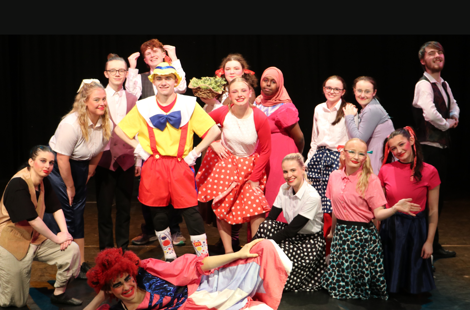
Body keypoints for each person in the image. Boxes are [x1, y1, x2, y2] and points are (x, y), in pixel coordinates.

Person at [115, 62, 221, 262]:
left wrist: (196, 152)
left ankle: (203, 258)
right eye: (159, 79)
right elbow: (119, 130)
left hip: (181, 165)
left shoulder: (188, 104)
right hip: (154, 166)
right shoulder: (144, 106)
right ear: (154, 81)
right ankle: (169, 254)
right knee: (158, 212)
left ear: (176, 81)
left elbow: (214, 130)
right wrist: (139, 149)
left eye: (168, 78)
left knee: (191, 212)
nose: (163, 82)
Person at [321, 138, 421, 300]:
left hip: (361, 237)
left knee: (357, 291)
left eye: (361, 153)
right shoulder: (334, 176)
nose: (356, 156)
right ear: (343, 154)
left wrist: (395, 208)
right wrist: (332, 231)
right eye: (352, 151)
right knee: (342, 287)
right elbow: (334, 208)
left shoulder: (370, 179)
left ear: (365, 157)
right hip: (341, 235)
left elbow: (378, 214)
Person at [83, 239, 291, 310]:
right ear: (109, 289)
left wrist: (237, 254)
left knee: (264, 248)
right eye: (118, 285)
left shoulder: (147, 272)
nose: (126, 287)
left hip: (205, 290)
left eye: (127, 279)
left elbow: (198, 265)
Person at [44, 79, 113, 279]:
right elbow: (62, 158)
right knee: (66, 214)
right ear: (85, 102)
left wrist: (90, 171)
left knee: (79, 214)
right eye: (97, 99)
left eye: (104, 99)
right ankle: (68, 266)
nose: (102, 103)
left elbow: (100, 150)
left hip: (81, 167)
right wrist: (70, 186)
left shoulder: (105, 121)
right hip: (60, 169)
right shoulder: (70, 124)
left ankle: (80, 263)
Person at [196, 77, 272, 254]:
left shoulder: (259, 117)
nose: (239, 95)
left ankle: (255, 252)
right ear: (229, 95)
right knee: (223, 205)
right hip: (227, 164)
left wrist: (254, 179)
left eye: (243, 91)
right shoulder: (223, 112)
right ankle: (229, 253)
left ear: (250, 93)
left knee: (256, 208)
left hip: (250, 165)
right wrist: (213, 142)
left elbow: (266, 151)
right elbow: (199, 124)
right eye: (235, 91)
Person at [0, 145, 82, 307]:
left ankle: (59, 293)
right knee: (16, 302)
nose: (47, 166)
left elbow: (56, 207)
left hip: (35, 238)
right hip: (11, 240)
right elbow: (33, 219)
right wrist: (56, 238)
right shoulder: (18, 184)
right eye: (43, 161)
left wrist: (64, 233)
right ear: (31, 162)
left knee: (71, 250)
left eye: (51, 163)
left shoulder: (44, 182)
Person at [126, 38, 187, 248]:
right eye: (147, 54)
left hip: (171, 141)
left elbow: (183, 87)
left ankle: (175, 229)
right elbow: (131, 95)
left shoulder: (172, 77)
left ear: (163, 54)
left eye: (155, 52)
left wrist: (175, 58)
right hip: (148, 140)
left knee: (173, 189)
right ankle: (151, 230)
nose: (151, 56)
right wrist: (132, 69)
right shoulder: (142, 79)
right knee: (148, 188)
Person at [412, 41, 459, 259]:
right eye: (432, 53)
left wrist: (455, 115)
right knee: (429, 198)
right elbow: (429, 114)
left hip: (440, 146)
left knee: (438, 199)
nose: (438, 56)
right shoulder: (423, 85)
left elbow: (454, 105)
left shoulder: (443, 84)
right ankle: (427, 242)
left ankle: (434, 242)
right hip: (428, 148)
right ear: (423, 61)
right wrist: (448, 124)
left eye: (440, 52)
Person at [379, 127, 439, 294]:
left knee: (414, 286)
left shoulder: (430, 171)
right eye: (393, 148)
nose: (398, 151)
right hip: (391, 228)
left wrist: (429, 241)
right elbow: (380, 206)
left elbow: (433, 210)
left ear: (411, 141)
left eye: (401, 144)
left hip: (415, 230)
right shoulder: (386, 170)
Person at [253, 153, 325, 292]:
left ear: (303, 169)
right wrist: (256, 242)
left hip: (308, 241)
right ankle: (252, 261)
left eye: (293, 170)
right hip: (291, 235)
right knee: (266, 226)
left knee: (281, 278)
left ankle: (261, 267)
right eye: (285, 171)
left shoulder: (312, 196)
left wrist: (266, 245)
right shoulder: (284, 188)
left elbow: (291, 230)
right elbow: (271, 218)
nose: (289, 175)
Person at [94, 54, 140, 252]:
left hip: (127, 160)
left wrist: (138, 161)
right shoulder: (98, 97)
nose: (117, 74)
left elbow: (139, 131)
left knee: (124, 208)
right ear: (106, 73)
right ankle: (106, 249)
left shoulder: (133, 98)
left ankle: (122, 248)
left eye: (121, 70)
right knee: (104, 209)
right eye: (113, 70)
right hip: (104, 160)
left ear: (127, 73)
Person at [305, 75, 351, 258]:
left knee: (333, 207)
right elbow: (314, 140)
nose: (332, 91)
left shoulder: (348, 110)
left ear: (343, 92)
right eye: (328, 88)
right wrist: (307, 164)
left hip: (337, 159)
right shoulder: (319, 109)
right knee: (318, 207)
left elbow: (352, 138)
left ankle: (333, 252)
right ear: (324, 89)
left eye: (336, 89)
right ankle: (319, 251)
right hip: (318, 158)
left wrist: (345, 163)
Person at [254, 67, 304, 224]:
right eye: (265, 80)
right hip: (261, 152)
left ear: (280, 85)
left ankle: (279, 235)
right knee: (260, 192)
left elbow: (299, 136)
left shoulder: (285, 107)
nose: (268, 84)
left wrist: (296, 156)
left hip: (281, 154)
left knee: (277, 191)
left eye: (273, 82)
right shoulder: (256, 104)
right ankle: (259, 237)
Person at [343, 76, 395, 175]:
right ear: (354, 91)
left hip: (377, 158)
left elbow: (359, 140)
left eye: (367, 91)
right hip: (376, 155)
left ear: (374, 92)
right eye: (359, 91)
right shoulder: (372, 107)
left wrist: (349, 116)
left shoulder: (372, 109)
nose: (362, 95)